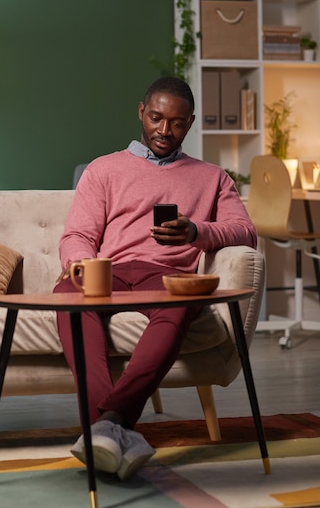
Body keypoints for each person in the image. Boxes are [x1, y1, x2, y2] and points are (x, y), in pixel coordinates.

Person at [53, 76, 257, 480]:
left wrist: (197, 232)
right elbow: (77, 234)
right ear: (141, 112)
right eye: (157, 118)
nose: (165, 131)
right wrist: (79, 263)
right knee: (69, 299)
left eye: (177, 123)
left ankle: (105, 425)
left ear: (191, 122)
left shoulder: (212, 177)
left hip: (164, 276)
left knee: (181, 307)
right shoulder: (104, 169)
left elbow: (245, 231)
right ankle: (110, 429)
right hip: (106, 271)